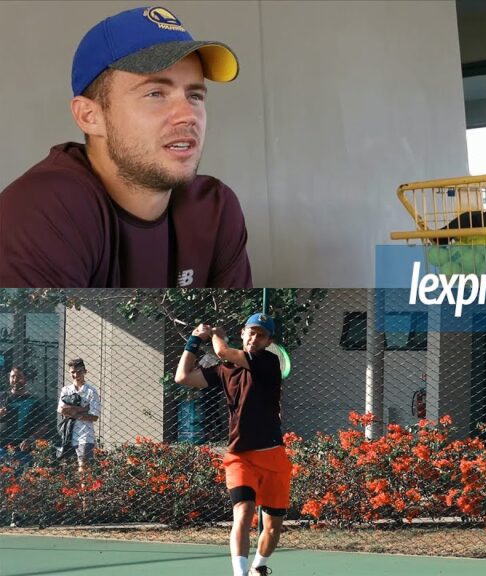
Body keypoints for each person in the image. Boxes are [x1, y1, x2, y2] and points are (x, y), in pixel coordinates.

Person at [0, 6, 251, 288]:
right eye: (155, 93)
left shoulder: (213, 210)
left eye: (194, 95)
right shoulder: (45, 208)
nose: (188, 115)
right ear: (89, 116)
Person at [175, 313, 288, 576]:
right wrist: (193, 340)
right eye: (251, 332)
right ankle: (239, 574)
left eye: (261, 335)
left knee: (272, 527)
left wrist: (215, 334)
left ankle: (258, 567)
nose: (254, 338)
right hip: (240, 456)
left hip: (273, 456)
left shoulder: (268, 362)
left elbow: (223, 350)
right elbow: (182, 377)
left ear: (268, 341)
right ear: (243, 333)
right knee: (244, 511)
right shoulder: (225, 371)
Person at [56, 359, 101, 472]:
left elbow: (94, 416)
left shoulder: (91, 391)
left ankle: (83, 489)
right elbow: (63, 411)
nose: (76, 375)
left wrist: (73, 411)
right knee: (68, 468)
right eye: (73, 372)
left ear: (85, 371)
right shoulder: (66, 390)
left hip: (85, 434)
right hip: (68, 434)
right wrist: (84, 409)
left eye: (79, 371)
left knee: (83, 466)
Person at [0, 367, 49, 471]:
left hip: (21, 450)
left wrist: (31, 439)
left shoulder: (34, 401)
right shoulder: (2, 397)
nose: (15, 379)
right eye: (12, 376)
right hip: (1, 448)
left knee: (18, 483)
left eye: (19, 377)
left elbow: (44, 425)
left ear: (25, 379)